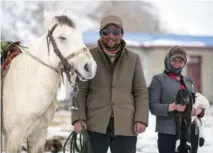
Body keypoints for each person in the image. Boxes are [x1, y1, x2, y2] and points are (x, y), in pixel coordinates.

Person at [71, 14, 149, 153]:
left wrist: (141, 119)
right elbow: (80, 91)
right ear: (100, 34)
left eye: (116, 32)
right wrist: (78, 118)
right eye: (106, 32)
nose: (111, 36)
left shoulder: (133, 59)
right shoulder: (89, 57)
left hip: (126, 123)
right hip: (94, 123)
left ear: (122, 34)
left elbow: (141, 92)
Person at [148, 46, 204, 153]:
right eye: (174, 61)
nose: (178, 64)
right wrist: (172, 107)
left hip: (190, 130)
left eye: (181, 61)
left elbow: (197, 101)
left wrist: (200, 111)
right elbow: (153, 107)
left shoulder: (188, 80)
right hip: (168, 132)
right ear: (168, 61)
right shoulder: (158, 80)